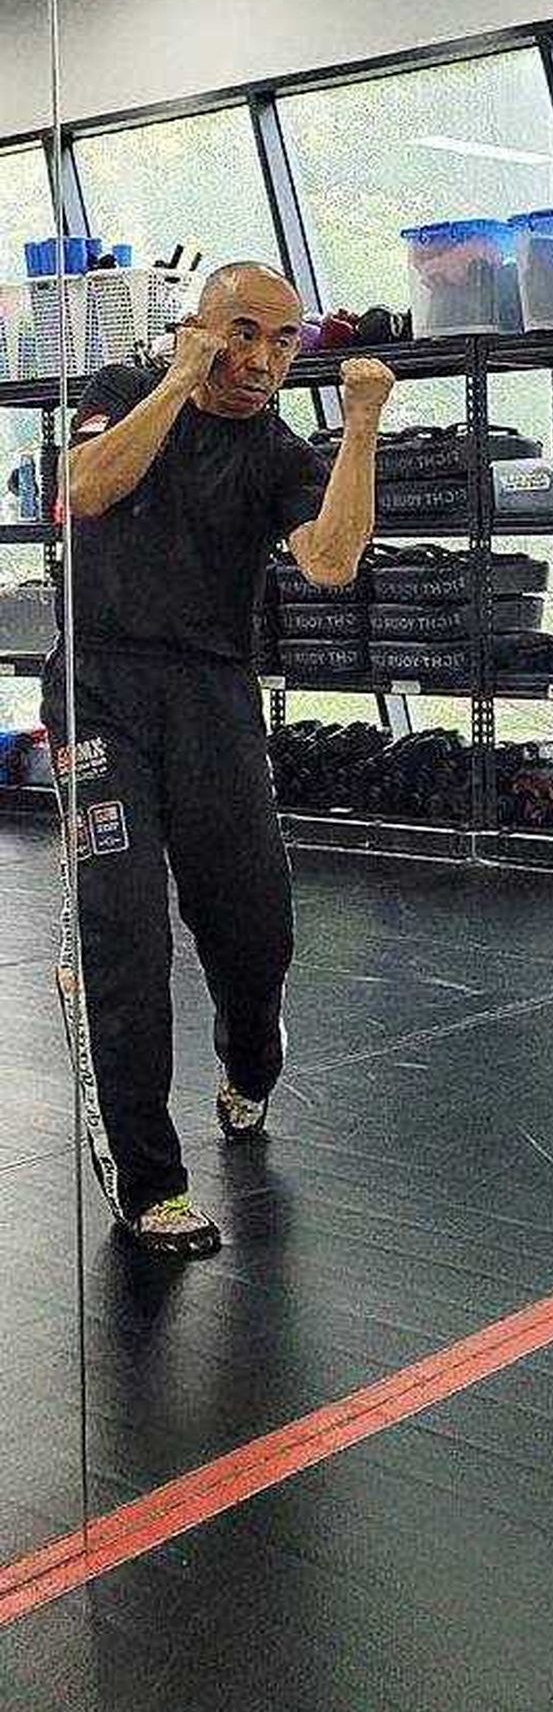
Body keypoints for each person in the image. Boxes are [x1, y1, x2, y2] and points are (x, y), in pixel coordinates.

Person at [43, 261, 394, 1259]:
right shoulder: (117, 392)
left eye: (283, 343)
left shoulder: (277, 451)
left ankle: (250, 1059)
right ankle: (150, 1182)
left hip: (211, 698)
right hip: (100, 690)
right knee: (125, 927)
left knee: (253, 927)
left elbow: (329, 560)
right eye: (242, 332)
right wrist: (173, 380)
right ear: (197, 327)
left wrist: (360, 428)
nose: (260, 360)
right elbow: (92, 488)